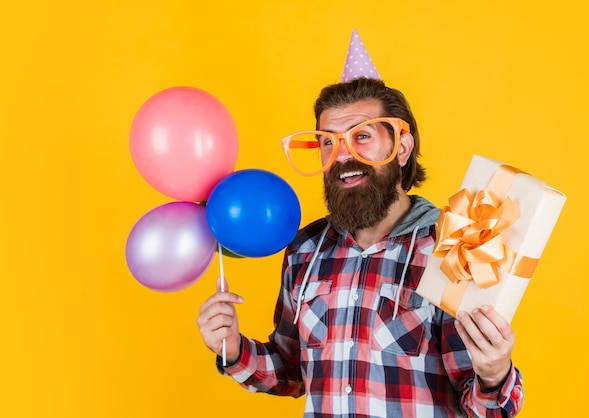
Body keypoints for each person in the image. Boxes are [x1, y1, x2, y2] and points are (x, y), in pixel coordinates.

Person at [197, 77, 523, 417]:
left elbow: (483, 407)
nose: (342, 155)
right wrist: (233, 350)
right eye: (328, 142)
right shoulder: (304, 250)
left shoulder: (453, 247)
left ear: (402, 147)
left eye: (362, 136)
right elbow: (294, 372)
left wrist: (495, 374)